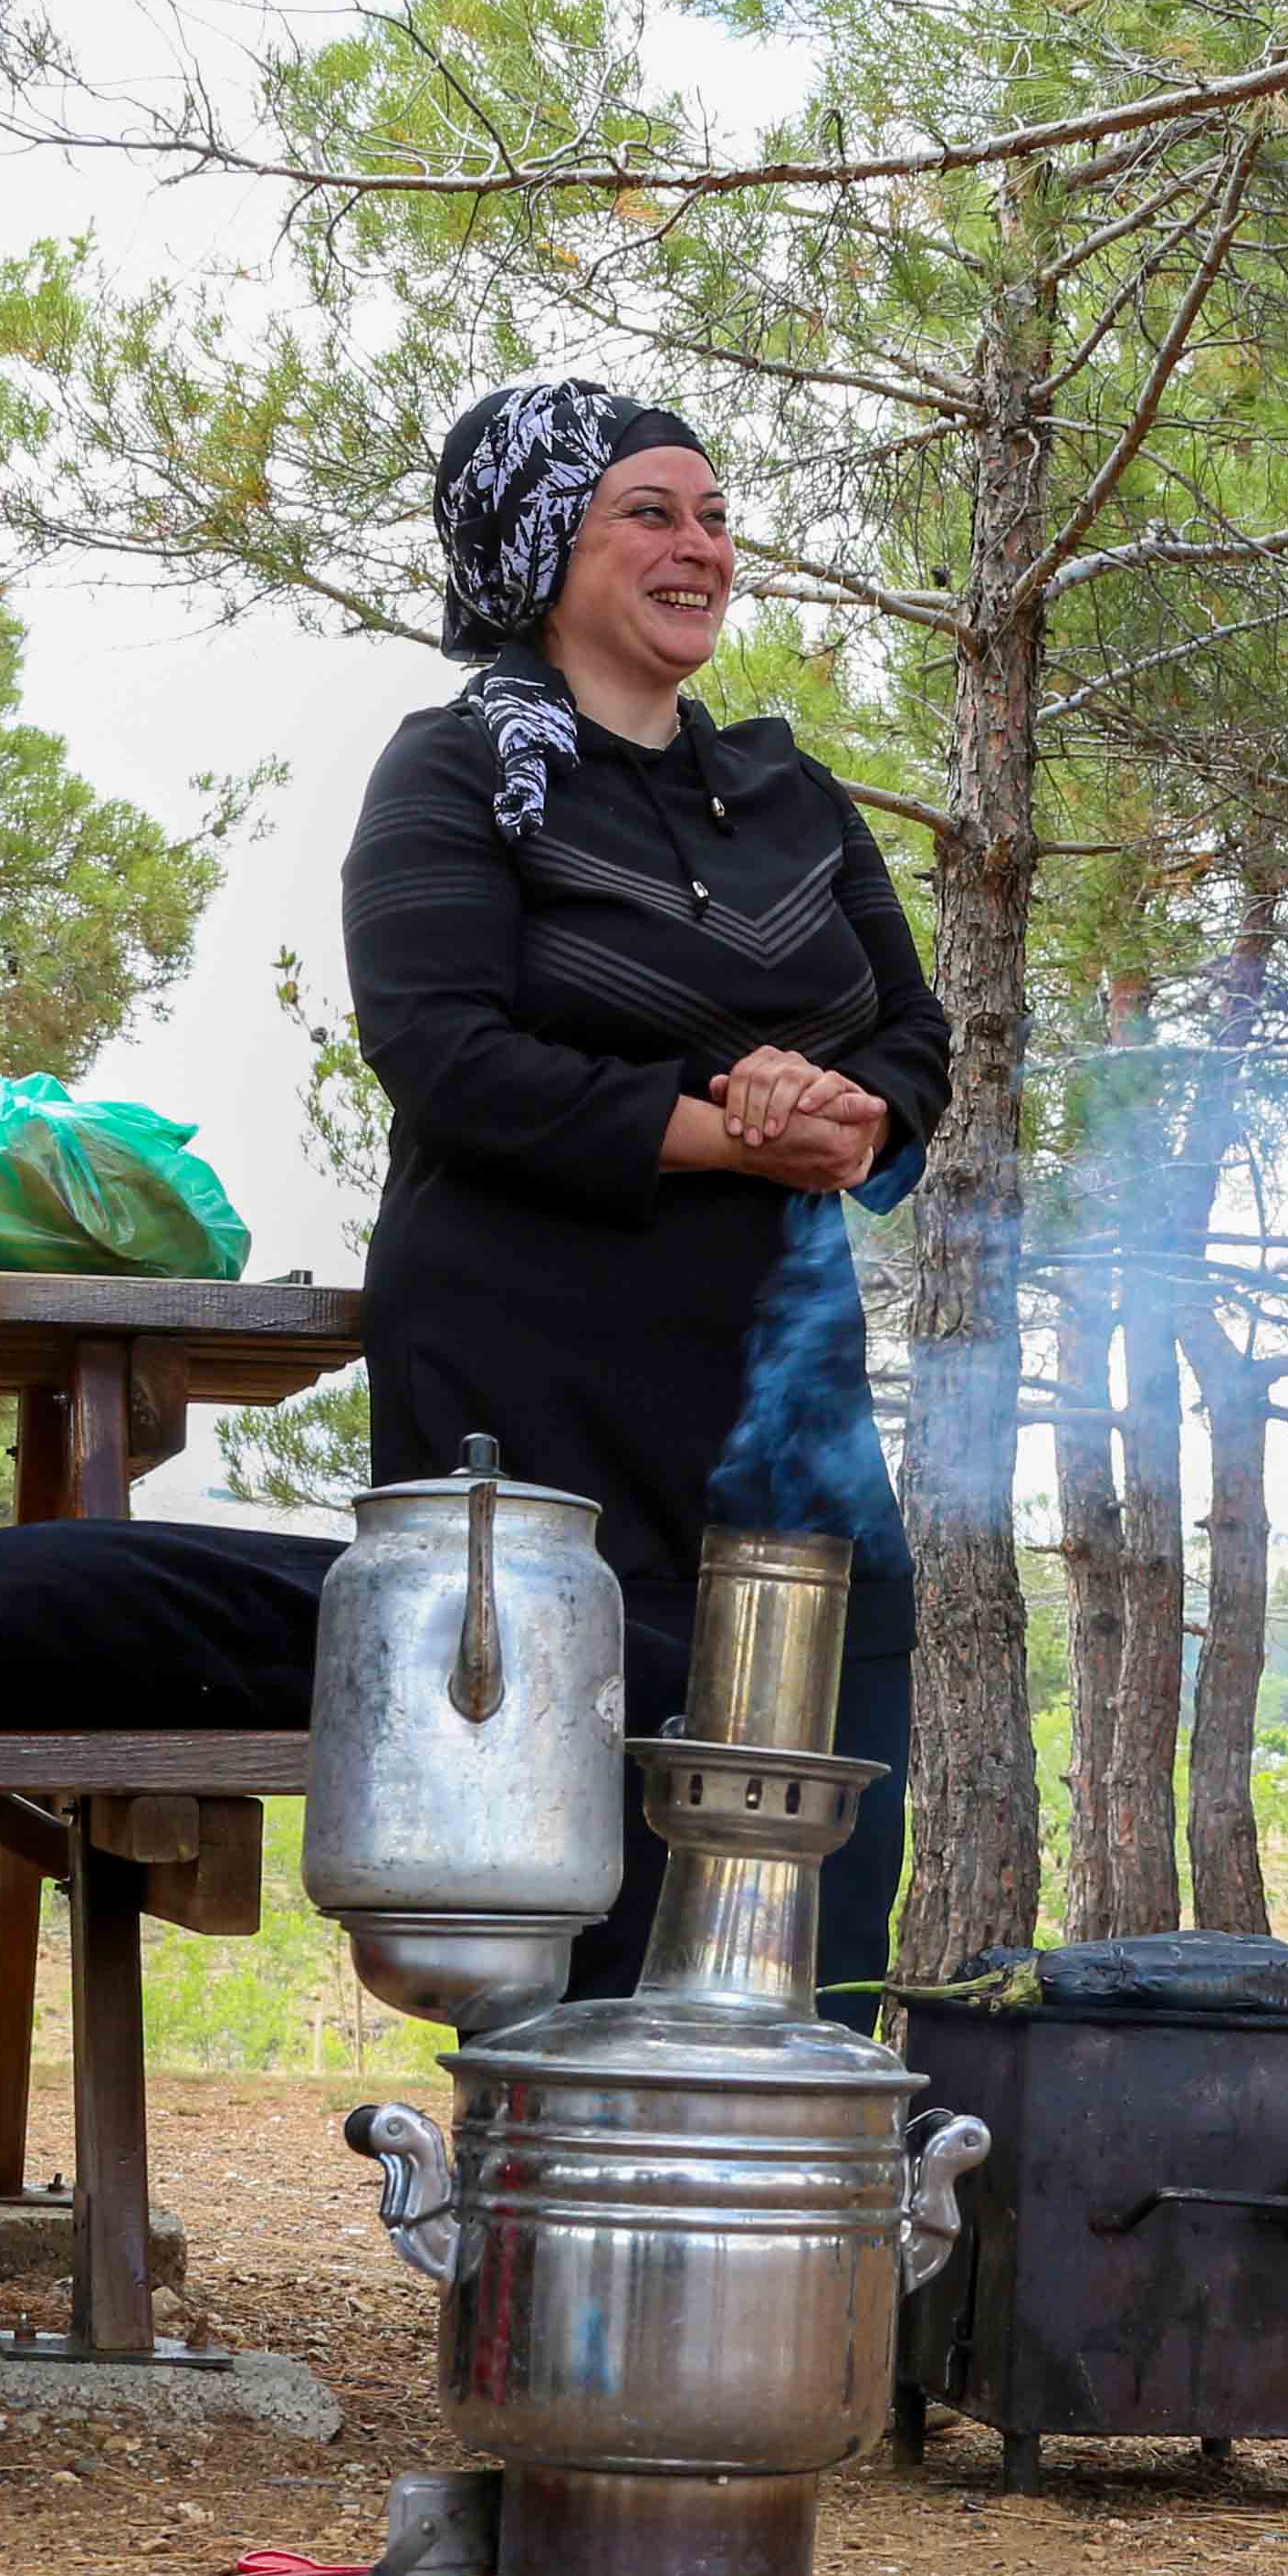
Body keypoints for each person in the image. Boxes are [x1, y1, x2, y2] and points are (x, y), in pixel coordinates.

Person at [341, 378, 951, 2003]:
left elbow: (914, 1035)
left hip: (782, 1392)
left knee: (820, 1810)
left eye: (717, 517)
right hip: (531, 1389)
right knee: (565, 1825)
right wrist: (734, 1130)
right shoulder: (452, 772)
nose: (703, 547)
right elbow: (443, 1056)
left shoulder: (792, 796)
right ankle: (548, 2149)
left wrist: (849, 1116)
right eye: (651, 513)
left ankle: (793, 2134)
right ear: (542, 545)